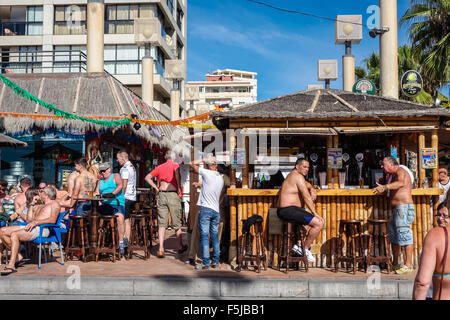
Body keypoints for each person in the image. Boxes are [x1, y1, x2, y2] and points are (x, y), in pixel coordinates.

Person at [0, 185, 60, 275]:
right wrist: (31, 204)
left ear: (46, 194)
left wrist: (35, 223)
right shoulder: (40, 205)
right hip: (32, 226)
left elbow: (52, 220)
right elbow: (29, 219)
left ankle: (11, 265)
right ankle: (18, 256)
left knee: (14, 235)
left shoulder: (54, 204)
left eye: (41, 191)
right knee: (2, 231)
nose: (39, 192)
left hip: (42, 229)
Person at [276, 158, 324, 263]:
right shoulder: (297, 176)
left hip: (289, 211)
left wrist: (311, 188)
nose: (307, 169)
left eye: (308, 167)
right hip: (288, 210)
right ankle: (304, 248)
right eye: (304, 167)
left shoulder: (294, 176)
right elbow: (306, 196)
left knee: (307, 223)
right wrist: (314, 213)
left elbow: (306, 184)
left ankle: (299, 244)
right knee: (319, 223)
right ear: (297, 167)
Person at [374, 156, 415, 274]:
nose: (382, 166)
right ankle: (396, 264)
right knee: (394, 237)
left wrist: (386, 186)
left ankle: (408, 265)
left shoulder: (400, 171)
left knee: (405, 235)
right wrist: (382, 190)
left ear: (391, 164)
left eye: (383, 164)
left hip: (404, 208)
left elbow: (401, 183)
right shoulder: (392, 176)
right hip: (397, 209)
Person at [145, 150, 187, 258]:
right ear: (173, 158)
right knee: (176, 222)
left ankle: (161, 248)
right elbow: (177, 175)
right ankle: (180, 246)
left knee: (162, 222)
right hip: (172, 194)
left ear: (165, 157)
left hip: (162, 194)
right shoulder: (175, 165)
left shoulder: (159, 167)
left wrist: (156, 187)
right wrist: (178, 188)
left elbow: (147, 177)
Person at [189, 156, 223, 270]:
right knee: (214, 236)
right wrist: (201, 185)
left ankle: (205, 263)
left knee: (204, 236)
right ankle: (216, 261)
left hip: (206, 209)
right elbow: (211, 187)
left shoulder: (207, 173)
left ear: (208, 166)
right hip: (216, 210)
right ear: (216, 166)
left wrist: (203, 159)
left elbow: (192, 163)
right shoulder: (220, 178)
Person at [413, 203, 450, 299]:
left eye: (445, 216)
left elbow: (422, 282)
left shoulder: (435, 236)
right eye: (438, 215)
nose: (440, 218)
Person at [95, 162, 126, 255]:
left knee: (120, 218)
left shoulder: (115, 176)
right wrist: (99, 200)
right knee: (92, 217)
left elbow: (120, 186)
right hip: (104, 205)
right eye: (101, 171)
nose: (103, 173)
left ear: (109, 169)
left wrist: (112, 194)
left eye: (104, 171)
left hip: (116, 203)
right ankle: (96, 243)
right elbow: (96, 192)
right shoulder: (100, 181)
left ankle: (121, 243)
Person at [117, 150, 136, 253]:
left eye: (118, 158)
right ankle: (126, 240)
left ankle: (124, 240)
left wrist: (121, 196)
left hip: (126, 196)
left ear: (123, 158)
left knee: (124, 219)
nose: (117, 160)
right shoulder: (132, 167)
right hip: (132, 196)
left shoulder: (125, 169)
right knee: (127, 219)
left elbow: (124, 185)